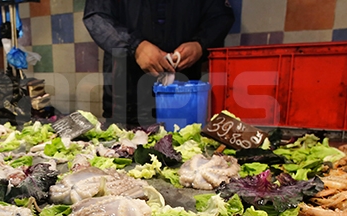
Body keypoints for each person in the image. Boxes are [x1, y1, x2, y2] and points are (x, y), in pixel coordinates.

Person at [83, 0, 235, 127]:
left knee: (184, 146)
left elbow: (220, 16)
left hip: (184, 101)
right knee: (122, 149)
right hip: (126, 103)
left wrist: (200, 44)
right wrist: (135, 47)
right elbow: (96, 16)